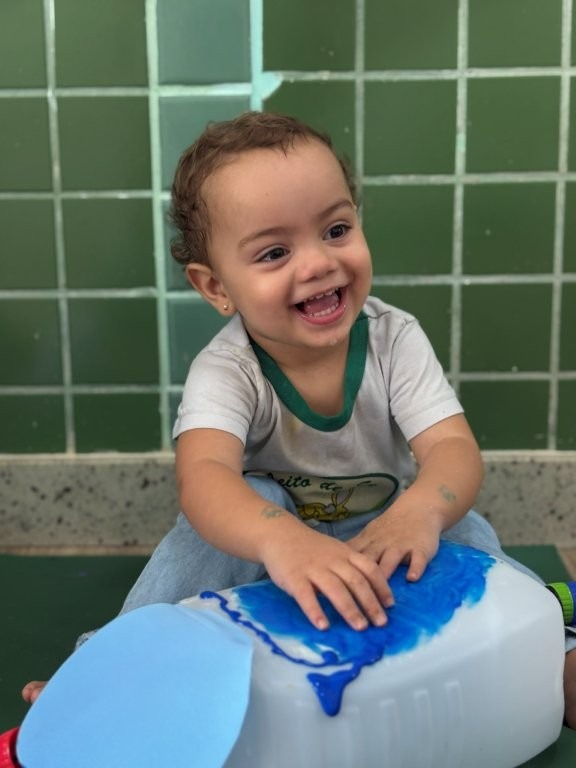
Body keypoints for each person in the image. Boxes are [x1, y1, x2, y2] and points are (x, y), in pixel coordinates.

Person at [22, 111, 576, 726]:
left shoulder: (394, 339)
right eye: (275, 252)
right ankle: (113, 665)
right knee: (214, 525)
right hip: (271, 553)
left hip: (387, 537)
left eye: (336, 229)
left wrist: (421, 511)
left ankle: (555, 649)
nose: (317, 263)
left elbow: (452, 447)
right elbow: (203, 478)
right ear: (215, 287)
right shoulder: (227, 369)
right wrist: (279, 540)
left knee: (461, 523)